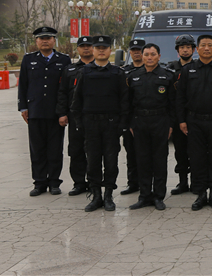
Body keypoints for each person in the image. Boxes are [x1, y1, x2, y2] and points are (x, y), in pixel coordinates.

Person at [176, 34, 212, 211]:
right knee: (197, 158)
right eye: (203, 45)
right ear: (197, 49)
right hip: (194, 121)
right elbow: (180, 97)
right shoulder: (188, 70)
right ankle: (200, 194)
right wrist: (182, 120)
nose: (207, 48)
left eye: (210, 45)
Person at [71, 35, 129, 212]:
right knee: (93, 162)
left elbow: (124, 101)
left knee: (111, 162)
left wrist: (122, 124)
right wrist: (79, 123)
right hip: (91, 125)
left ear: (110, 51)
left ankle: (108, 195)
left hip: (111, 124)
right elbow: (76, 101)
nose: (101, 51)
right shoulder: (84, 72)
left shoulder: (118, 73)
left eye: (105, 48)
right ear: (93, 50)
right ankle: (96, 196)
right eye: (98, 48)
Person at [18, 26, 72, 196]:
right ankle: (39, 182)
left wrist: (65, 111)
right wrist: (23, 107)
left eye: (48, 38)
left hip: (56, 112)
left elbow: (67, 87)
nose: (45, 41)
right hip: (35, 111)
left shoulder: (64, 60)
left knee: (55, 149)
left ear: (54, 40)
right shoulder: (28, 60)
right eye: (41, 38)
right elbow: (23, 85)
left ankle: (54, 182)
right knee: (37, 149)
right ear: (36, 41)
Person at [126, 43, 176, 211]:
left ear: (159, 57)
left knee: (159, 160)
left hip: (160, 121)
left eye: (153, 54)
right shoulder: (133, 76)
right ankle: (144, 196)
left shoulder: (168, 76)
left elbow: (173, 103)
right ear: (142, 56)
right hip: (140, 121)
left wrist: (171, 124)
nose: (149, 57)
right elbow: (128, 103)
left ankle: (158, 196)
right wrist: (131, 123)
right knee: (142, 160)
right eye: (146, 54)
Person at [56, 36, 93, 196]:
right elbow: (63, 93)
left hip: (94, 117)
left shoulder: (100, 68)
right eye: (82, 46)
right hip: (75, 117)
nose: (86, 48)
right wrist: (62, 113)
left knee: (94, 151)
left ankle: (94, 182)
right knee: (76, 150)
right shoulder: (70, 70)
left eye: (89, 45)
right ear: (78, 49)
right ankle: (79, 183)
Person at [167, 34, 197, 195]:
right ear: (177, 50)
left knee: (196, 151)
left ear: (193, 49)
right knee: (180, 151)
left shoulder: (198, 67)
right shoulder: (170, 69)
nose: (185, 50)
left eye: (188, 47)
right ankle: (183, 182)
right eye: (182, 48)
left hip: (195, 116)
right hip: (178, 116)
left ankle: (197, 182)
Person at [119, 38, 146, 196]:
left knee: (146, 154)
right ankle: (133, 183)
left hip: (146, 119)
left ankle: (146, 183)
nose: (137, 53)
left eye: (139, 50)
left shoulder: (150, 70)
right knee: (131, 153)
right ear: (130, 52)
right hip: (130, 119)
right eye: (134, 50)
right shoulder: (123, 72)